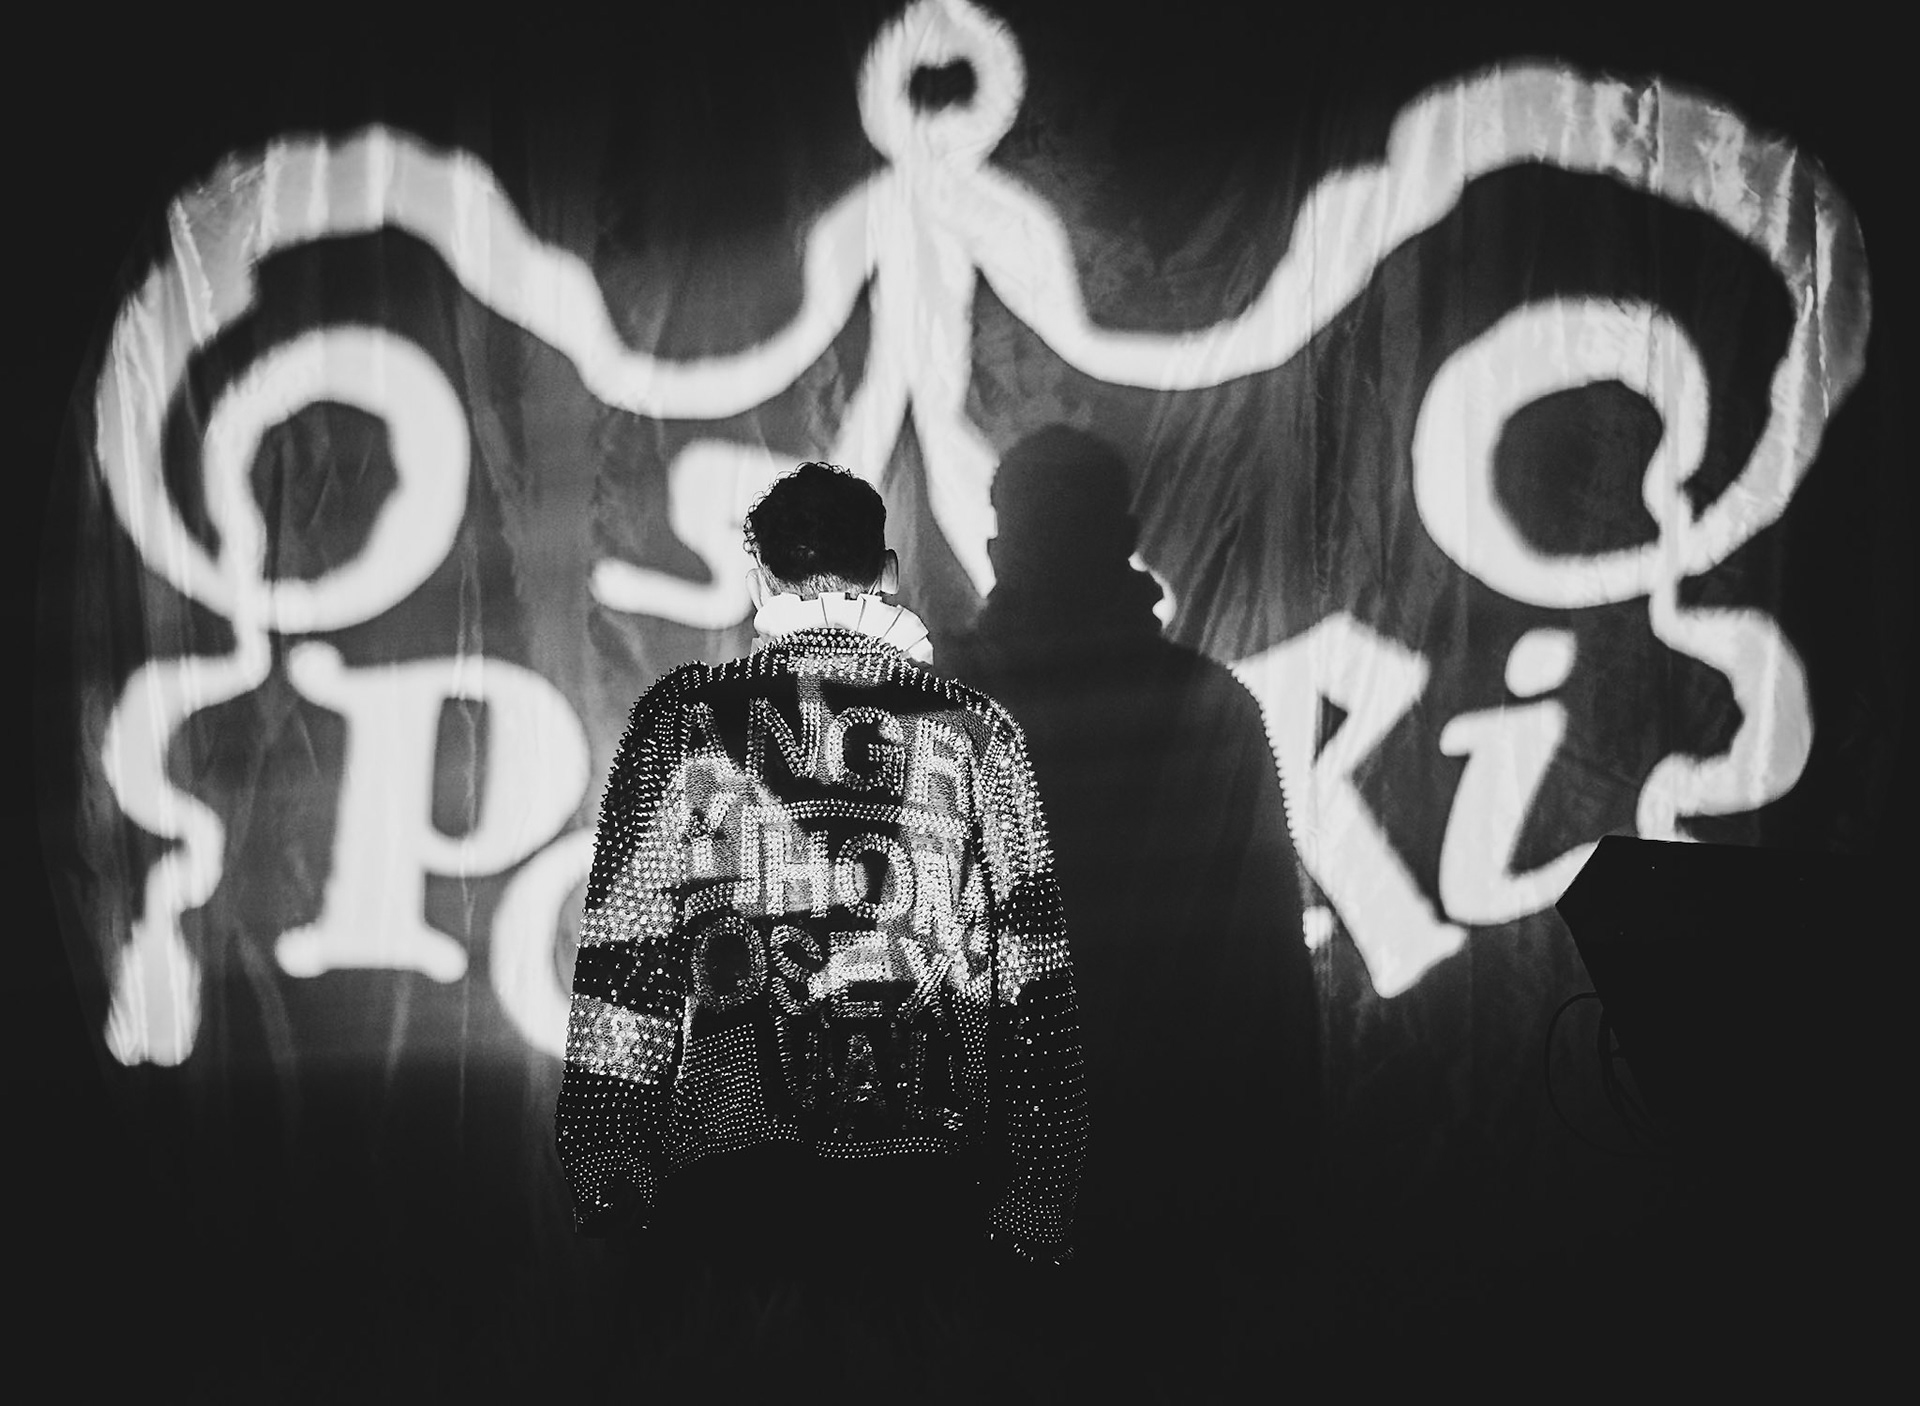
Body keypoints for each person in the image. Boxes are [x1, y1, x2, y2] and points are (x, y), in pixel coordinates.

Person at [555, 461, 1087, 1288]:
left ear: (759, 577)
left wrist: (609, 1162)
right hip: (933, 1183)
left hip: (736, 1179)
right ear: (888, 571)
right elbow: (1034, 976)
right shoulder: (977, 733)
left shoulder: (683, 722)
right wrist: (1041, 1196)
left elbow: (627, 964)